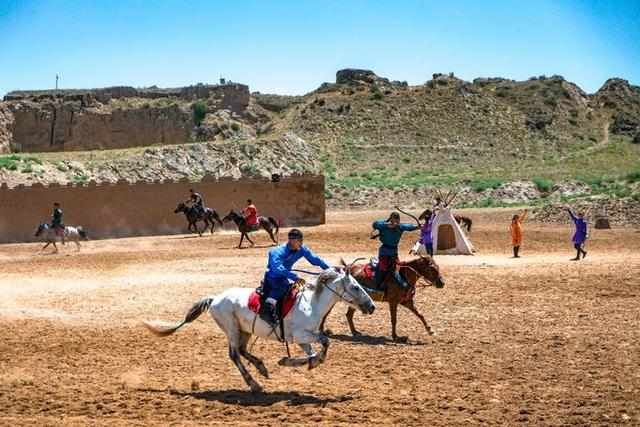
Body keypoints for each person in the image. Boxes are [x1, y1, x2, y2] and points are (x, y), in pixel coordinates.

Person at [260, 228, 330, 326]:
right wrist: (294, 277)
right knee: (281, 288)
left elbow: (315, 260)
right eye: (296, 240)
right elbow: (277, 268)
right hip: (273, 277)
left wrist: (329, 269)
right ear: (290, 240)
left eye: (300, 241)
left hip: (284, 276)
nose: (299, 243)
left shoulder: (301, 249)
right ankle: (267, 310)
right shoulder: (276, 251)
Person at [372, 212, 419, 291]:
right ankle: (378, 285)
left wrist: (418, 226)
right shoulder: (383, 226)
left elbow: (409, 227)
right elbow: (375, 224)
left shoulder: (400, 227)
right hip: (384, 252)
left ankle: (399, 285)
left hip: (394, 252)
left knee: (397, 268)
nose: (396, 223)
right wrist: (387, 224)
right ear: (391, 220)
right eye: (394, 221)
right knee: (383, 268)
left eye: (397, 221)